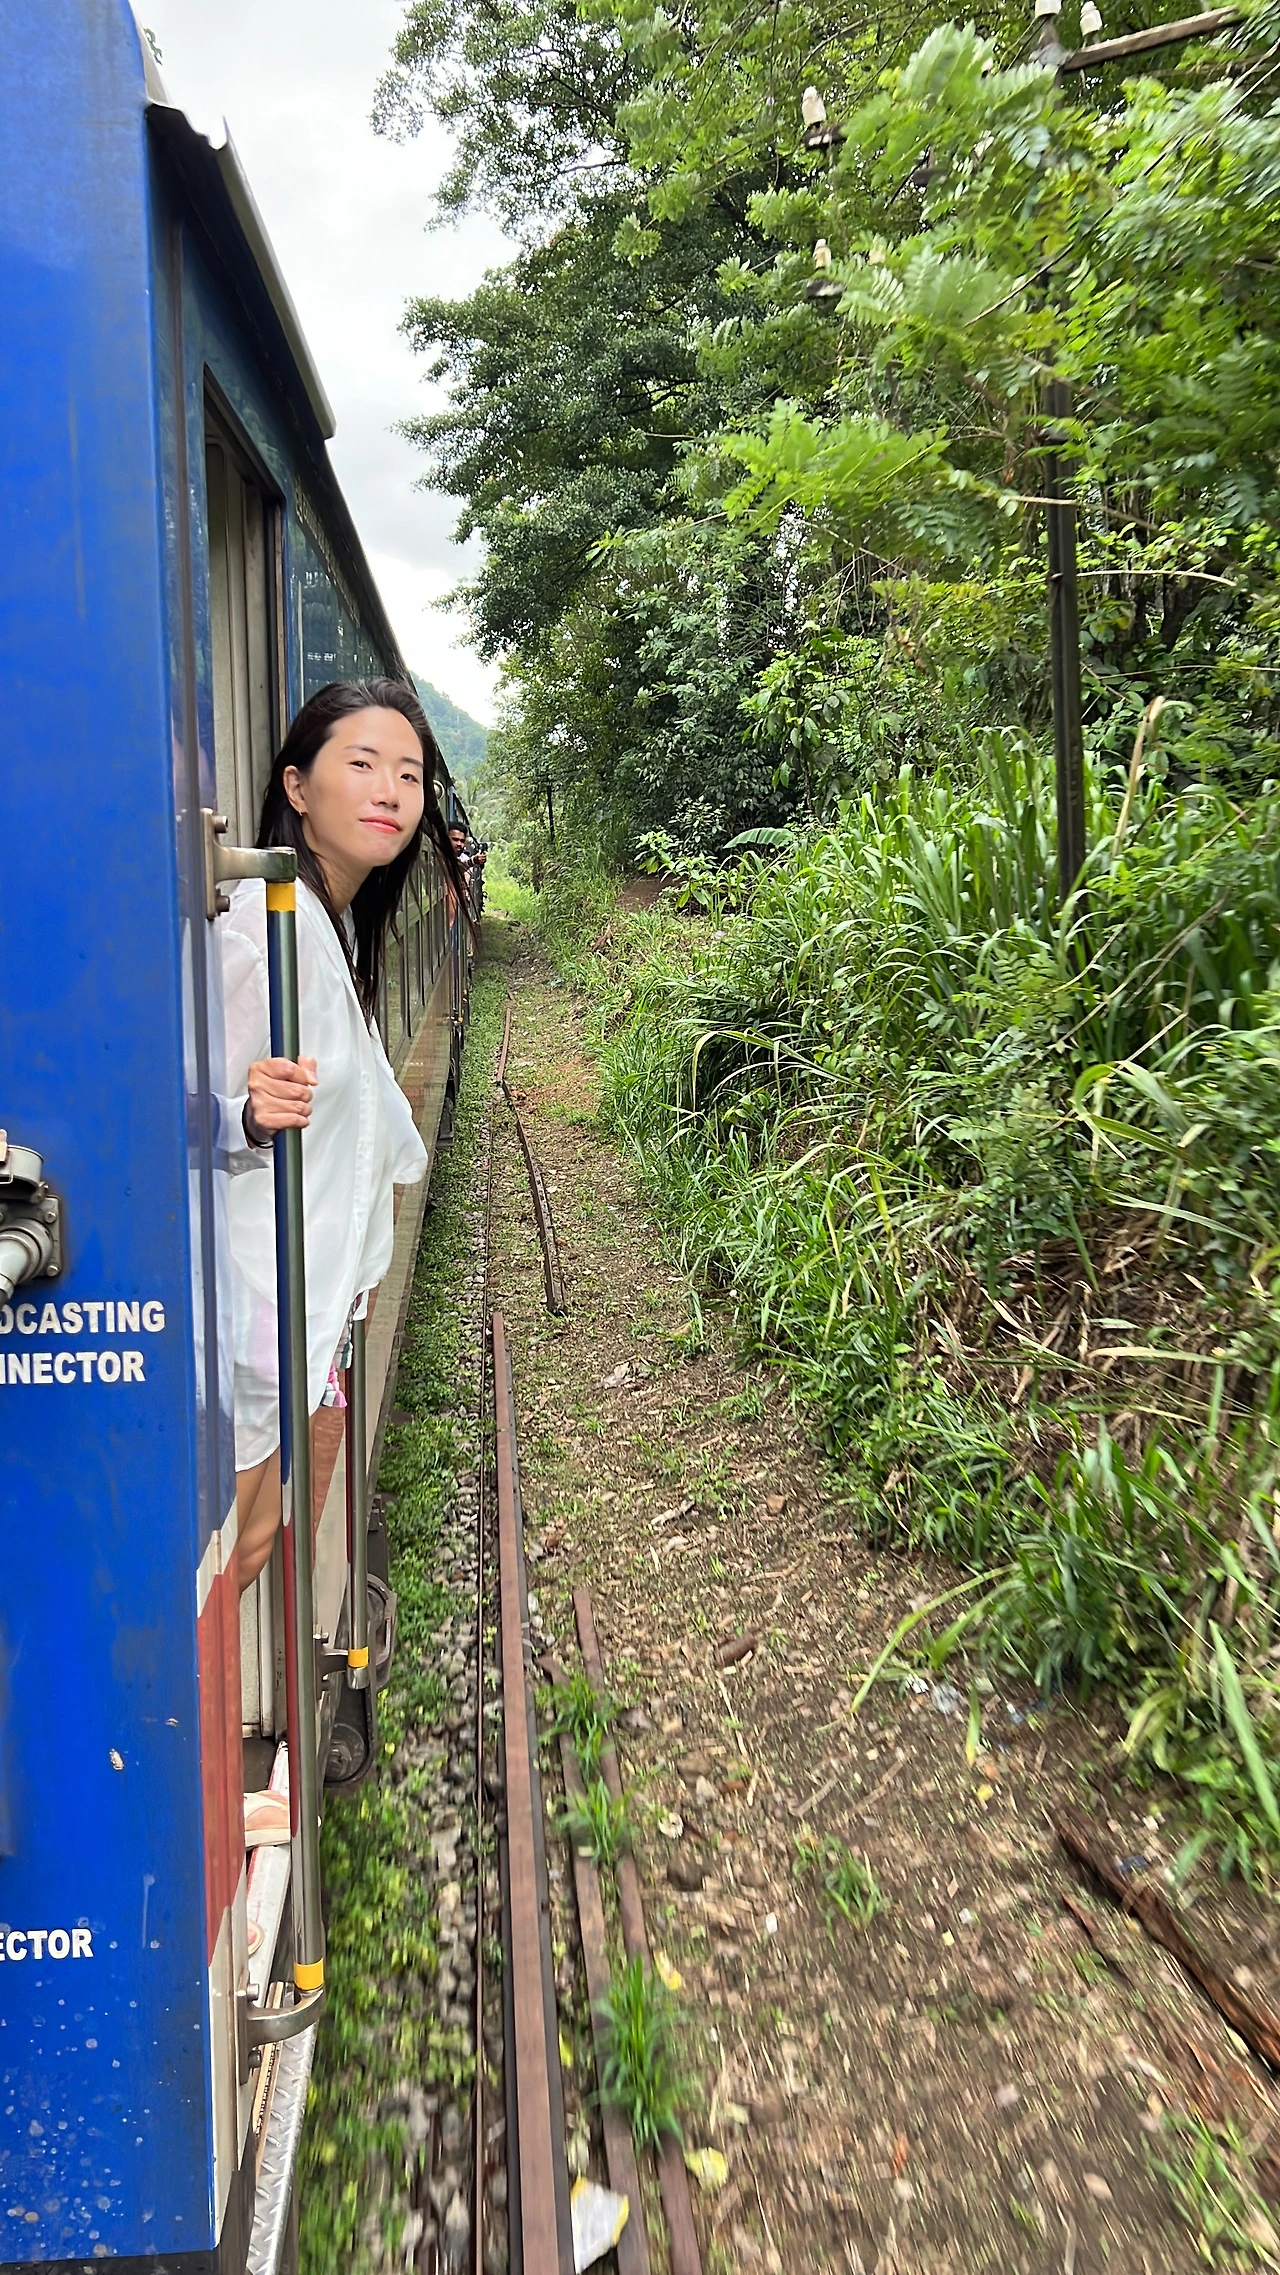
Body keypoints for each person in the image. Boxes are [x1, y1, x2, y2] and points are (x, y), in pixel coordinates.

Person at [218, 679, 466, 1605]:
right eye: (362, 764)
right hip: (253, 1313)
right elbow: (184, 1113)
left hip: (300, 1314)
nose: (389, 791)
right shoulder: (258, 931)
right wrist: (243, 1114)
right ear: (297, 784)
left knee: (250, 1541)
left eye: (408, 774)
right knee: (229, 1557)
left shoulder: (324, 921)